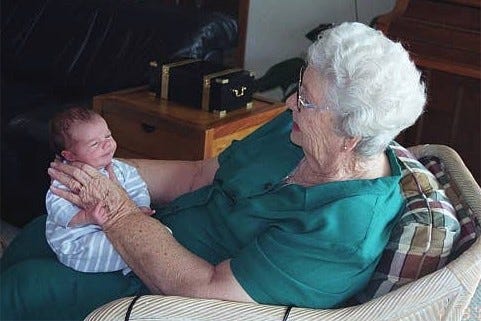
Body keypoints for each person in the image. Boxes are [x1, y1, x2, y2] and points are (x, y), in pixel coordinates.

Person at [0, 22, 426, 320]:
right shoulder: (294, 132)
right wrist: (98, 171)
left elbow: (209, 293)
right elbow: (195, 176)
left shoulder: (344, 230)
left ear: (349, 135)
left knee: (24, 288)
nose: (289, 104)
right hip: (147, 231)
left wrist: (115, 210)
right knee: (34, 236)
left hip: (161, 289)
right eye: (300, 87)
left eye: (307, 100)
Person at [46, 107, 155, 274]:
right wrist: (86, 217)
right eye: (95, 144)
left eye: (108, 135)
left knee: (158, 233)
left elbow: (138, 188)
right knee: (121, 247)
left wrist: (141, 207)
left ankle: (136, 259)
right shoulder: (66, 177)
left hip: (117, 229)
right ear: (70, 156)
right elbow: (57, 208)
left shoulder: (121, 169)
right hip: (81, 240)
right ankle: (134, 264)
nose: (107, 144)